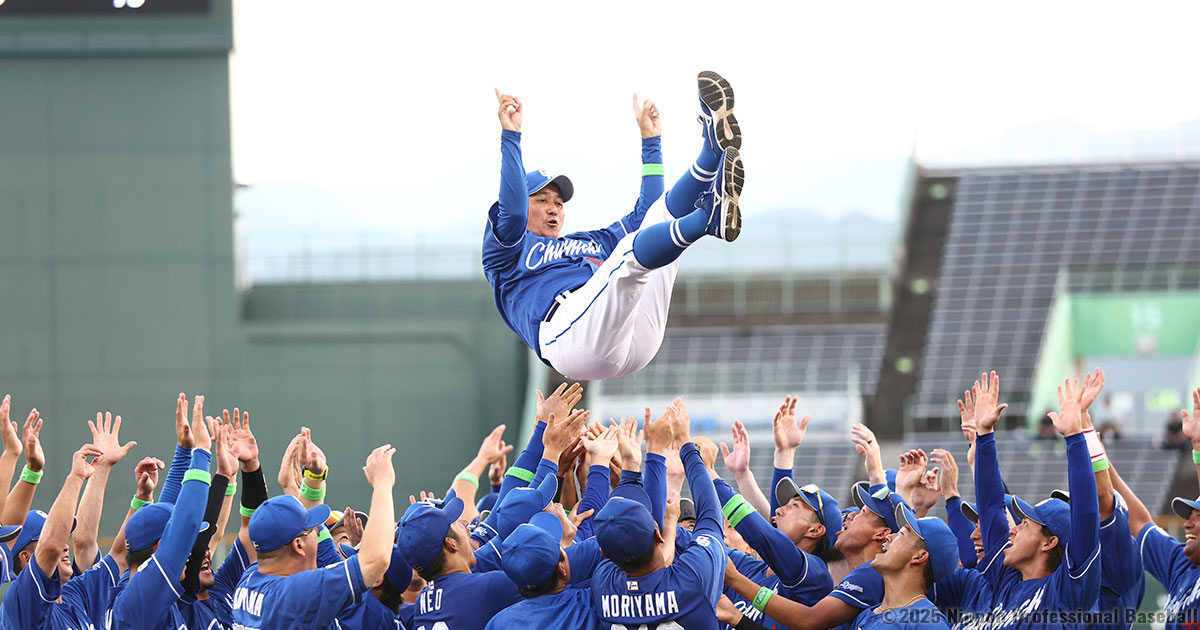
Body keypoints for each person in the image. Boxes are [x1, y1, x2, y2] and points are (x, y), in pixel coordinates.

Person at [484, 72, 744, 380]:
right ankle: (706, 219)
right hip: (569, 341)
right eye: (541, 200)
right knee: (629, 253)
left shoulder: (587, 242)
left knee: (657, 220)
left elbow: (647, 214)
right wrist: (511, 136)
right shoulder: (506, 251)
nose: (553, 208)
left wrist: (651, 142)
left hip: (634, 338)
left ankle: (711, 152)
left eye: (559, 203)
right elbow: (513, 212)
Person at [590, 398, 727, 628]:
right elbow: (710, 514)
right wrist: (684, 442)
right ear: (657, 533)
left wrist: (635, 467)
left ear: (604, 553)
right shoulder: (693, 577)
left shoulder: (602, 583)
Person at [231, 444, 397, 630]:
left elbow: (302, 539)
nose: (318, 532)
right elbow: (375, 561)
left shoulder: (250, 578)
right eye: (313, 530)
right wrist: (383, 484)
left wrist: (313, 479)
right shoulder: (297, 594)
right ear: (298, 545)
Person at [1114, 386, 1200, 630]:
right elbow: (1139, 522)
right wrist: (1092, 449)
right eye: (1189, 516)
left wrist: (1198, 447)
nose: (1187, 523)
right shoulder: (1180, 564)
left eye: (1198, 516)